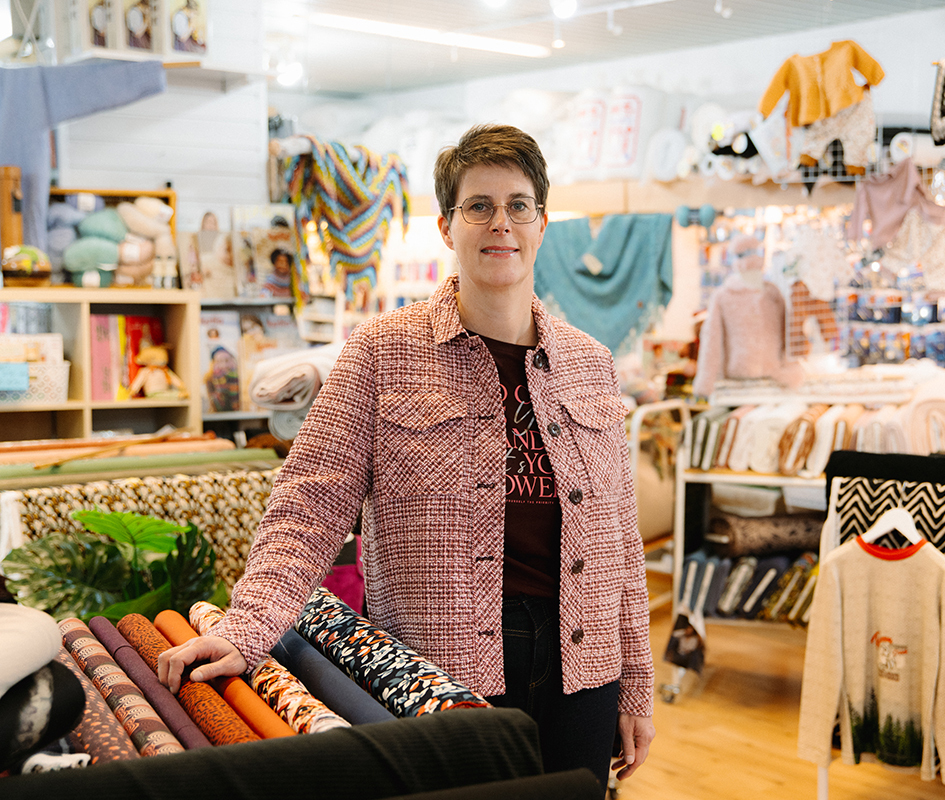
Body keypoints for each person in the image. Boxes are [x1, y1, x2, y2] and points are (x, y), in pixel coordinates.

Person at [157, 124, 655, 788]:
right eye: (478, 205)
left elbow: (621, 540)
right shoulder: (381, 352)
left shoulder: (591, 364)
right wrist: (246, 628)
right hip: (440, 671)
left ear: (542, 222)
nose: (499, 222)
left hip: (584, 670)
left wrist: (637, 685)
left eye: (517, 205)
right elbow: (308, 507)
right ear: (448, 226)